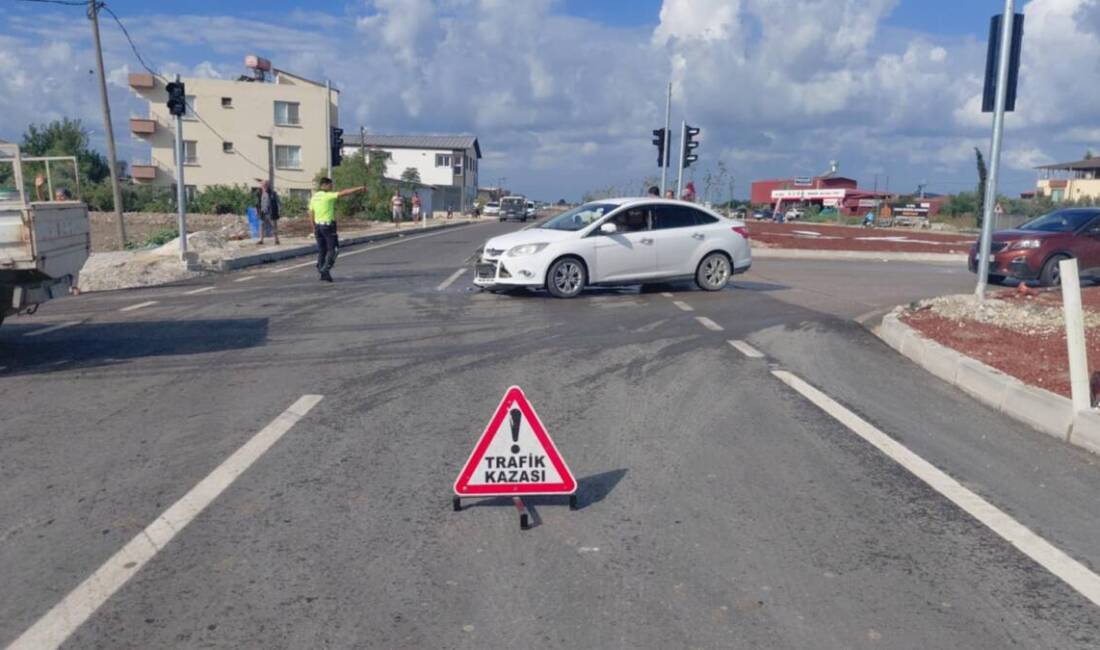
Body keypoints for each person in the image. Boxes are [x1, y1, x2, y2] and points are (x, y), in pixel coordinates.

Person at [309, 177, 367, 282]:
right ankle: (324, 269)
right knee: (334, 250)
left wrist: (313, 227)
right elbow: (343, 193)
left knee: (322, 250)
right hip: (328, 227)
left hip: (318, 227)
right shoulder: (327, 196)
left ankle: (323, 273)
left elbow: (311, 213)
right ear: (324, 185)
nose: (331, 187)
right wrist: (358, 188)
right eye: (330, 185)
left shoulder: (314, 197)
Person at [256, 180, 281, 245]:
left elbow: (278, 202)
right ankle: (261, 240)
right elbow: (258, 203)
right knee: (261, 225)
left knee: (274, 226)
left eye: (265, 185)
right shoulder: (260, 193)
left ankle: (276, 240)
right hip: (263, 211)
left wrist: (278, 210)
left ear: (268, 185)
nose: (264, 186)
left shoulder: (273, 193)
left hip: (271, 212)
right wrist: (257, 211)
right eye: (263, 185)